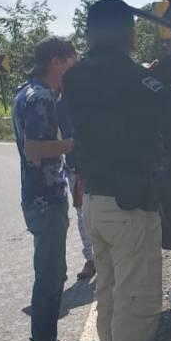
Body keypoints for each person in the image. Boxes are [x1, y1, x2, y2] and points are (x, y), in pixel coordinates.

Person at [61, 0, 171, 341]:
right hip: (131, 207)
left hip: (95, 203)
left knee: (111, 297)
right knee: (137, 305)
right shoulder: (132, 77)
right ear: (128, 33)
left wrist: (161, 70)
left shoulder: (76, 76)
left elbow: (121, 99)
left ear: (89, 33)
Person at [11, 36, 89, 341]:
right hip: (45, 198)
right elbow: (35, 149)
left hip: (40, 195)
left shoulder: (28, 91)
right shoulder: (40, 98)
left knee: (53, 273)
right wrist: (78, 143)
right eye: (72, 61)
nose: (75, 68)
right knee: (49, 276)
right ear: (57, 61)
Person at [55, 100, 95, 280]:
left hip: (101, 167)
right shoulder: (59, 105)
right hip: (75, 169)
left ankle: (107, 258)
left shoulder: (97, 95)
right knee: (82, 216)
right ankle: (91, 259)